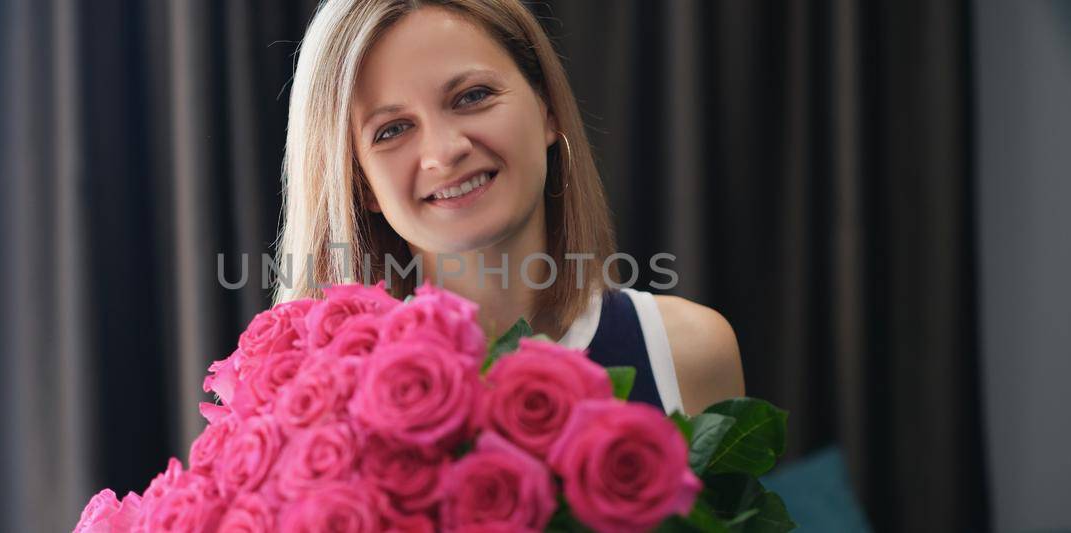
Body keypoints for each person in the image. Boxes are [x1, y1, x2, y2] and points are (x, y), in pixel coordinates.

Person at [274, 0, 743, 415]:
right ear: (363, 187)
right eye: (392, 130)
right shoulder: (315, 397)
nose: (444, 151)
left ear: (548, 108)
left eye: (473, 96)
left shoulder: (690, 352)